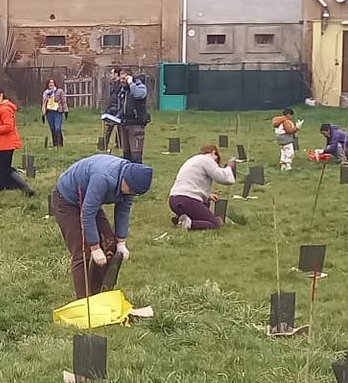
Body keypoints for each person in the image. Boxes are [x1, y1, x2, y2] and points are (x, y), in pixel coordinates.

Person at [51, 153, 153, 299]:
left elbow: (123, 212)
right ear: (126, 178)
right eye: (130, 189)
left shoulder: (131, 184)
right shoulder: (103, 178)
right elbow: (88, 213)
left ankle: (96, 294)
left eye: (134, 192)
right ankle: (84, 301)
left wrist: (121, 242)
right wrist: (95, 247)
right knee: (82, 251)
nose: (131, 193)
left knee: (109, 245)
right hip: (66, 199)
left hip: (89, 199)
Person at [168, 144, 237, 230]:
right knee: (214, 224)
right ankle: (189, 224)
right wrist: (230, 167)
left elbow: (192, 183)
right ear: (214, 153)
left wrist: (208, 196)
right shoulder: (207, 160)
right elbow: (223, 178)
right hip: (187, 200)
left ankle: (180, 218)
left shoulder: (193, 160)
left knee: (205, 204)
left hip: (174, 200)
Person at [0, 88, 34, 196]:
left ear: (1, 95)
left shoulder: (5, 109)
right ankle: (26, 189)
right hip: (2, 144)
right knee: (4, 169)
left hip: (6, 144)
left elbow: (9, 127)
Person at [102, 68, 152, 163]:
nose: (121, 81)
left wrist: (131, 83)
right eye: (121, 78)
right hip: (124, 123)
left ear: (130, 77)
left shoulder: (140, 87)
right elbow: (122, 106)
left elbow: (138, 95)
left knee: (136, 155)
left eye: (124, 78)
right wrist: (114, 117)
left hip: (136, 124)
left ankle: (137, 171)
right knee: (126, 155)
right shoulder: (123, 90)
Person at [42, 78, 66, 148]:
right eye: (49, 82)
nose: (51, 84)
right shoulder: (45, 93)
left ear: (54, 84)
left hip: (58, 112)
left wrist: (66, 110)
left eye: (52, 82)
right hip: (49, 112)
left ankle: (59, 144)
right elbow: (44, 104)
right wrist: (43, 113)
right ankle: (55, 144)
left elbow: (63, 101)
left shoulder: (59, 91)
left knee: (57, 128)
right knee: (52, 128)